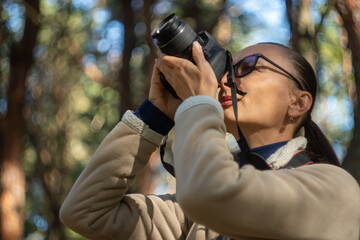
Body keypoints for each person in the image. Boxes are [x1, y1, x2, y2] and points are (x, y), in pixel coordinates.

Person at [60, 41, 360, 239]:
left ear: (298, 103)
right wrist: (155, 116)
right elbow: (86, 212)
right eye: (227, 69)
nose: (226, 79)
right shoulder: (194, 217)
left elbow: (212, 191)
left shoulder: (334, 187)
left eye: (247, 66)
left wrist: (201, 103)